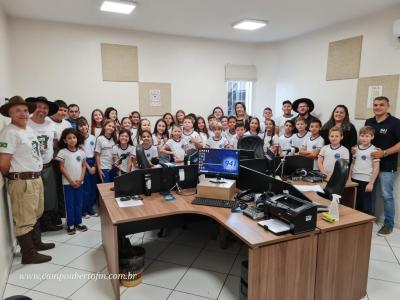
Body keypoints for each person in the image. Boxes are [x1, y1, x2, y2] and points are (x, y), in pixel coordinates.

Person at [0, 96, 54, 264]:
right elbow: (4, 163)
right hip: (22, 181)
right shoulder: (9, 132)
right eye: (17, 110)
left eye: (24, 110)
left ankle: (36, 243)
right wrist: (17, 178)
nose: (23, 113)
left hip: (35, 177)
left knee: (35, 213)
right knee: (24, 218)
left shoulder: (27, 129)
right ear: (10, 113)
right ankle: (28, 254)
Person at [365, 96, 400, 235]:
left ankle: (389, 224)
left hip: (387, 165)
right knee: (369, 192)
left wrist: (384, 153)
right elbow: (365, 138)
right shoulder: (369, 121)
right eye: (375, 105)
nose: (377, 107)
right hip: (369, 165)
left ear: (387, 106)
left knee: (386, 195)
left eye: (381, 105)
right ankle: (368, 218)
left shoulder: (395, 123)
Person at [26, 97, 62, 232]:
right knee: (35, 197)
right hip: (31, 168)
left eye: (45, 108)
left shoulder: (50, 124)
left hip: (47, 165)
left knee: (49, 195)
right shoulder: (26, 123)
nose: (42, 110)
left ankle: (47, 222)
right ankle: (36, 226)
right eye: (39, 106)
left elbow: (55, 142)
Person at [56, 128, 88, 235]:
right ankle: (70, 224)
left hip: (80, 182)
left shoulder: (81, 152)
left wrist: (81, 179)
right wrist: (71, 181)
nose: (72, 140)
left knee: (79, 203)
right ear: (65, 141)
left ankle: (78, 222)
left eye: (74, 137)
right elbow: (62, 168)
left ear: (77, 139)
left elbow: (84, 166)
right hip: (68, 184)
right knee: (70, 204)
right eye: (69, 138)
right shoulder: (62, 152)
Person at [348, 126, 380, 216]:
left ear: (372, 137)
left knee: (366, 206)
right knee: (355, 203)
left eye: (367, 136)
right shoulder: (355, 149)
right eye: (362, 136)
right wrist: (349, 178)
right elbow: (352, 164)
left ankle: (365, 226)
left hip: (366, 181)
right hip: (354, 179)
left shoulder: (374, 150)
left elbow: (376, 168)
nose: (364, 138)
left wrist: (371, 183)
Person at [49, 99, 71, 222]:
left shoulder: (67, 124)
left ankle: (64, 213)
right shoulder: (47, 122)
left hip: (67, 159)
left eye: (64, 110)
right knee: (55, 187)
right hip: (53, 161)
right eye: (60, 109)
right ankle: (55, 216)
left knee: (65, 186)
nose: (62, 112)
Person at [76, 117, 98, 218]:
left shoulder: (93, 137)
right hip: (83, 164)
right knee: (85, 188)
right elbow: (81, 155)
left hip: (93, 162)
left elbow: (96, 153)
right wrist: (89, 167)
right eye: (80, 125)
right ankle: (83, 210)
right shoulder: (78, 139)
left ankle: (90, 208)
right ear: (77, 127)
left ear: (88, 126)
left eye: (85, 124)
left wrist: (94, 166)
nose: (83, 127)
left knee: (93, 188)